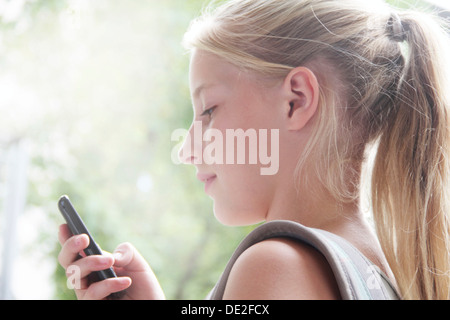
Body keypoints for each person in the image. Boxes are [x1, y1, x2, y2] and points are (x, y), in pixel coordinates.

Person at [57, 0, 450, 300]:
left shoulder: (274, 267)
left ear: (296, 100)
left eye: (209, 110)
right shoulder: (385, 270)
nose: (188, 149)